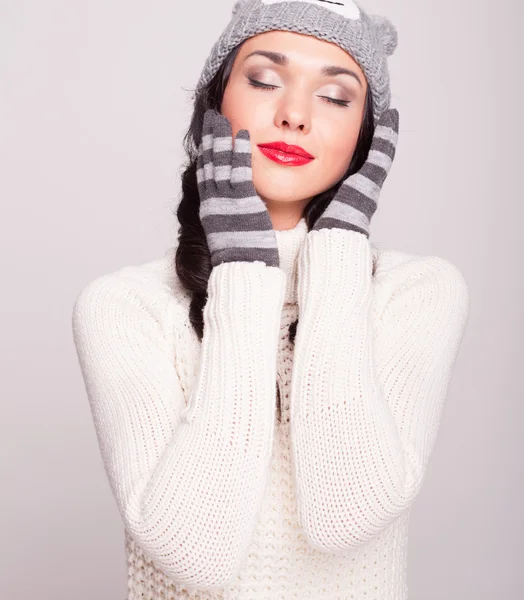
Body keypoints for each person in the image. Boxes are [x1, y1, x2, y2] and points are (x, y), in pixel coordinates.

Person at [71, 1, 470, 598]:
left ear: (368, 138)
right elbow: (193, 554)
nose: (294, 116)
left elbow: (346, 515)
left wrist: (336, 248)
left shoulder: (415, 292)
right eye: (263, 81)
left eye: (335, 97)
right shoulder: (125, 306)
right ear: (213, 108)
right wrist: (244, 274)